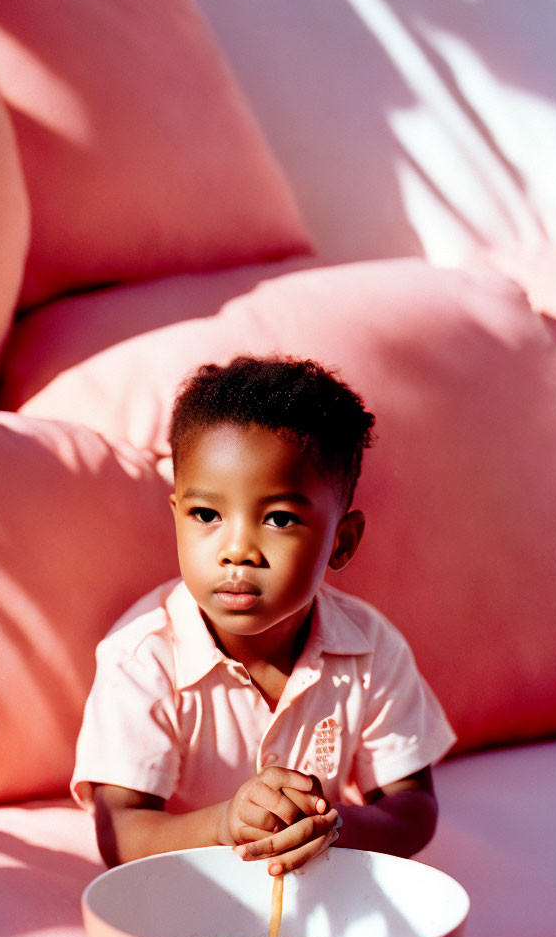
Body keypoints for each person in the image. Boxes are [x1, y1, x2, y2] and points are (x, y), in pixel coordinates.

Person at [72, 355, 455, 875]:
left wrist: (329, 825)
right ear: (177, 518)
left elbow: (413, 809)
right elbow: (121, 833)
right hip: (183, 900)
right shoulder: (142, 658)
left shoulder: (371, 648)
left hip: (313, 894)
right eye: (207, 515)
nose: (237, 550)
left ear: (340, 542)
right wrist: (224, 824)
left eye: (278, 518)